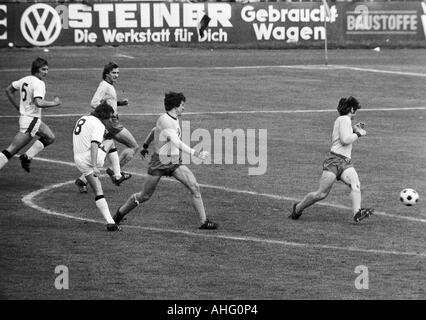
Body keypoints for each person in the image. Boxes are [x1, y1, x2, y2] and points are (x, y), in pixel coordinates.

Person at [113, 91, 218, 230]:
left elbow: (153, 130)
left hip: (174, 162)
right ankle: (118, 215)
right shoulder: (166, 121)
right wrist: (196, 153)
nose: (183, 108)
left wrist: (145, 145)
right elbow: (177, 142)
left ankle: (204, 222)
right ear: (175, 106)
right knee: (144, 196)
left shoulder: (171, 118)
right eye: (182, 105)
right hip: (159, 163)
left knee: (194, 187)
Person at [289, 96, 374, 223]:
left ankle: (357, 213)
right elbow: (345, 140)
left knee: (356, 185)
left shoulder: (344, 120)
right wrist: (358, 133)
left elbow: (345, 136)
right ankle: (298, 208)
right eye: (356, 109)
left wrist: (354, 129)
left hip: (345, 162)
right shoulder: (344, 119)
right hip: (334, 161)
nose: (356, 111)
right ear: (351, 109)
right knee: (321, 194)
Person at [74, 61, 139, 193]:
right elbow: (94, 103)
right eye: (113, 73)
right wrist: (107, 113)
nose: (116, 75)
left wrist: (119, 103)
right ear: (106, 74)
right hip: (110, 122)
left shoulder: (108, 85)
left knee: (108, 146)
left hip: (108, 120)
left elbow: (106, 101)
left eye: (118, 73)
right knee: (133, 146)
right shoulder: (104, 85)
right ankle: (115, 172)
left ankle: (83, 180)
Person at [0, 57, 61, 172]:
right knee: (11, 150)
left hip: (30, 119)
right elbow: (38, 102)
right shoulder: (39, 83)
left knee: (50, 137)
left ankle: (27, 157)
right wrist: (55, 103)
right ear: (36, 69)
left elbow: (9, 90)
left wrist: (18, 107)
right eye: (43, 69)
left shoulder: (25, 79)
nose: (46, 72)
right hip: (30, 121)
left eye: (47, 69)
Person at [73, 102, 121, 232]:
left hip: (79, 160)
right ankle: (118, 175)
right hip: (92, 159)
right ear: (104, 116)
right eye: (110, 117)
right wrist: (95, 165)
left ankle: (110, 222)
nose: (111, 120)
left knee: (98, 190)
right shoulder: (99, 125)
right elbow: (94, 144)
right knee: (111, 141)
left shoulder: (82, 118)